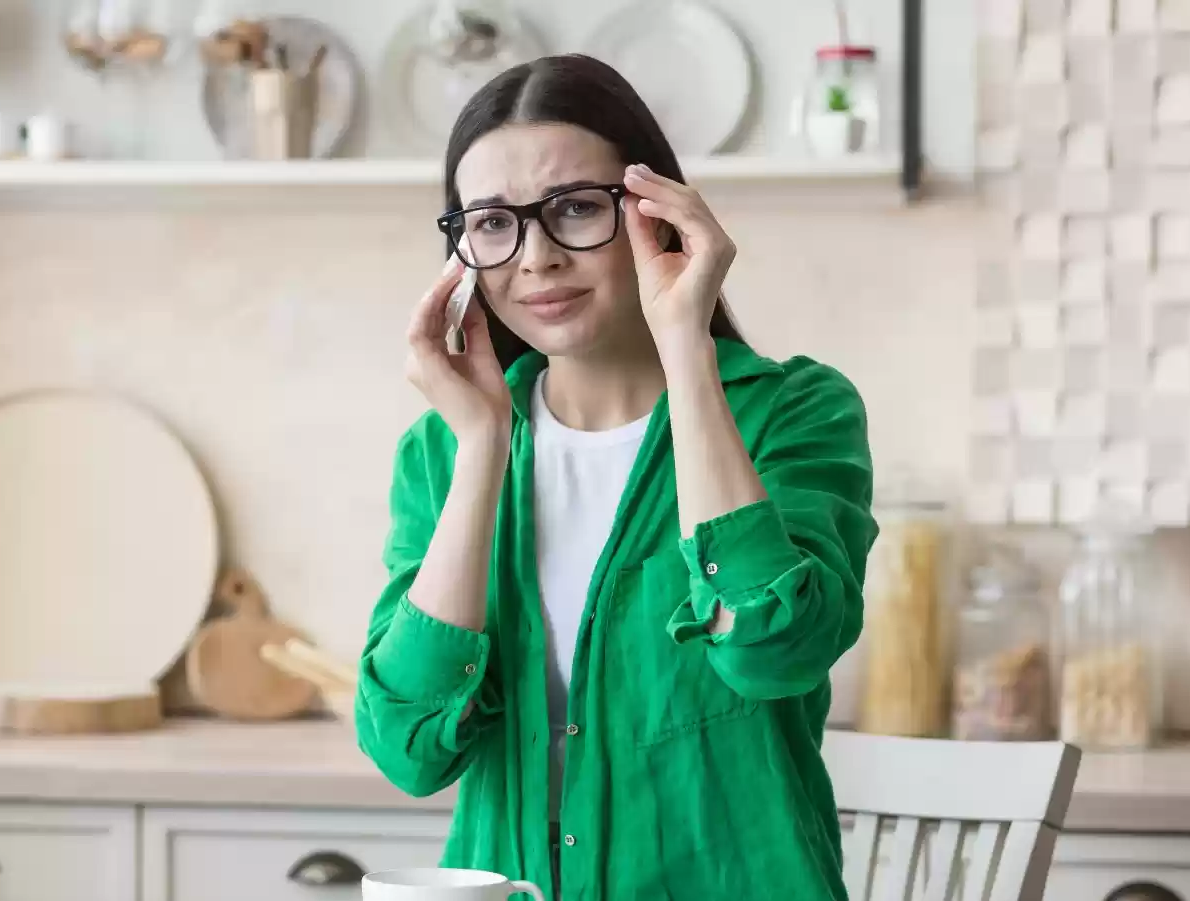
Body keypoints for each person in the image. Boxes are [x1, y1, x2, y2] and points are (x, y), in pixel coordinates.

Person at [354, 54, 878, 900]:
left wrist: (688, 350)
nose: (536, 258)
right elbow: (408, 748)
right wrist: (484, 444)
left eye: (573, 209)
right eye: (492, 222)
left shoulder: (795, 411)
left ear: (657, 215)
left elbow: (775, 650)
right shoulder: (441, 451)